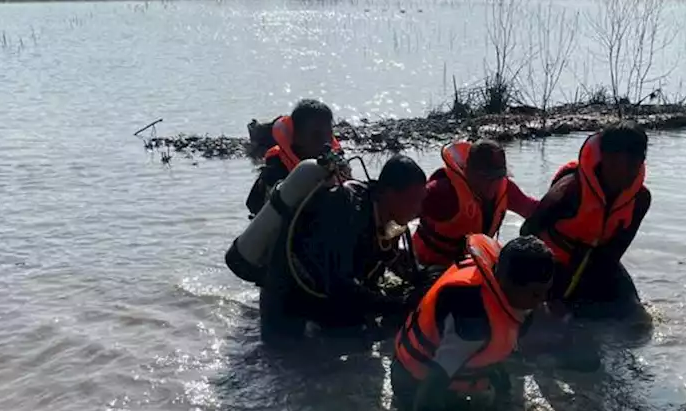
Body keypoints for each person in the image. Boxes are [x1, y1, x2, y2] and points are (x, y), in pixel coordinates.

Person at [392, 234, 555, 411]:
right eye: (536, 294)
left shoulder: (503, 286)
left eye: (546, 292)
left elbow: (495, 354)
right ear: (506, 282)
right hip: (413, 383)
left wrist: (503, 401)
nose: (542, 302)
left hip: (450, 372)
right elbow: (433, 386)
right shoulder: (472, 319)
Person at [260, 155, 427, 342]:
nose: (418, 209)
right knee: (283, 359)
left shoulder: (384, 213)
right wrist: (399, 305)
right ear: (388, 193)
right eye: (413, 200)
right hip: (287, 297)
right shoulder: (346, 211)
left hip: (326, 294)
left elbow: (389, 259)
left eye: (422, 200)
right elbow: (341, 288)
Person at [520, 122, 651, 323]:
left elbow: (615, 251)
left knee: (637, 318)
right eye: (618, 165)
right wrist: (543, 291)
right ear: (605, 158)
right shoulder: (570, 190)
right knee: (551, 324)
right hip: (551, 263)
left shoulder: (640, 199)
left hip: (596, 263)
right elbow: (528, 231)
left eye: (636, 165)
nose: (627, 175)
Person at [412, 140, 539, 270]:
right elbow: (400, 208)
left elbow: (534, 209)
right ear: (469, 171)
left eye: (497, 178)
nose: (492, 185)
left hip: (468, 267)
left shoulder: (505, 188)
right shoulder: (444, 192)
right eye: (486, 178)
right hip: (427, 266)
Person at [246, 99, 346, 217]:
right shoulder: (275, 170)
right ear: (296, 136)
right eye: (316, 135)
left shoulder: (337, 163)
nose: (325, 142)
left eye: (328, 134)